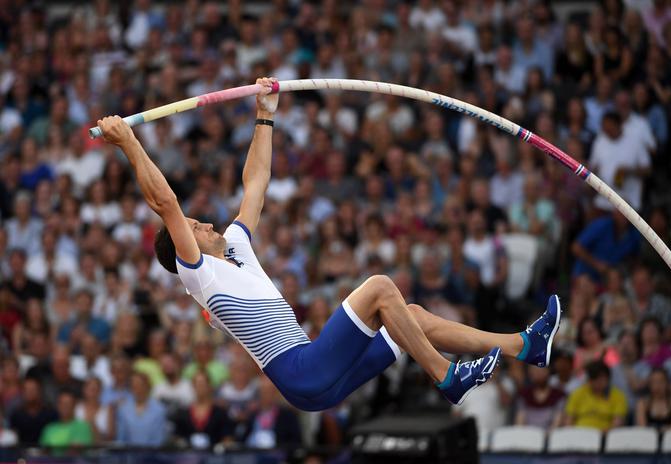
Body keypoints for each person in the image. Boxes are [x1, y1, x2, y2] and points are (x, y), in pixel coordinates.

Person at [95, 77, 562, 411]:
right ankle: (446, 376)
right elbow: (165, 201)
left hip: (315, 377)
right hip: (302, 370)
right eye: (195, 226)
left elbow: (255, 182)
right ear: (182, 247)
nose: (205, 224)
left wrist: (265, 117)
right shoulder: (198, 272)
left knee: (410, 318)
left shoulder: (236, 247)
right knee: (379, 287)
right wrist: (129, 142)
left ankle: (525, 345)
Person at [564, 360, 627, 431]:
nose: (598, 382)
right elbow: (569, 421)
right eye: (595, 379)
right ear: (589, 380)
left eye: (602, 378)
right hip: (579, 435)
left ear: (608, 378)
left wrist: (599, 435)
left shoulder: (618, 396)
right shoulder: (578, 393)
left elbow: (617, 423)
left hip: (605, 437)